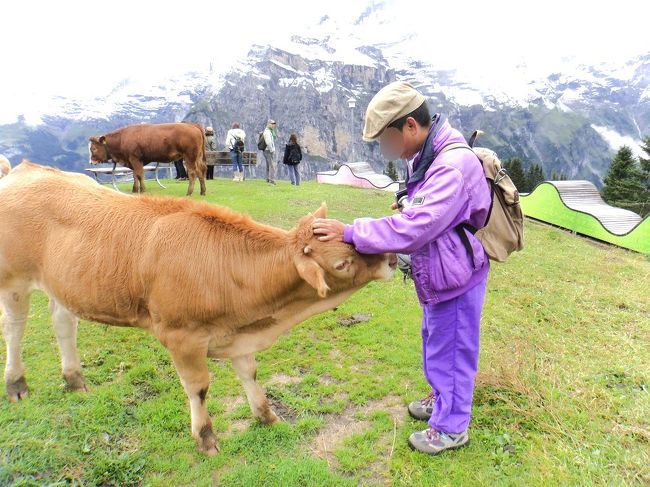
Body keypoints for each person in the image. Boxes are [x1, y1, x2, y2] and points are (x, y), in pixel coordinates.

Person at [312, 82, 491, 456]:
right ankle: (442, 398)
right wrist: (410, 202)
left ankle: (451, 427)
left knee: (453, 350)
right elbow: (426, 210)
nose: (384, 149)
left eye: (386, 139)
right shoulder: (431, 152)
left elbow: (416, 228)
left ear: (410, 126)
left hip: (454, 275)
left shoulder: (452, 166)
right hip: (441, 269)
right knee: (435, 342)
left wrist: (350, 231)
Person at [261, 119, 277, 185]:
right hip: (268, 150)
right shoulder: (267, 132)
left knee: (268, 165)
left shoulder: (270, 131)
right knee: (271, 166)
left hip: (267, 150)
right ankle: (272, 180)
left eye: (274, 124)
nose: (274, 125)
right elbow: (269, 142)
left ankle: (268, 178)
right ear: (269, 124)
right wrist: (272, 150)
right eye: (272, 124)